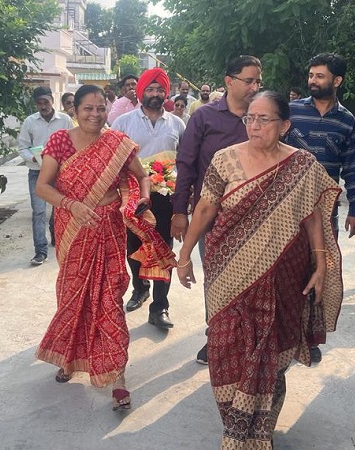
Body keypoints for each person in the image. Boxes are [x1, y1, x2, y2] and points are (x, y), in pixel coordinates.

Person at [176, 91, 343, 449]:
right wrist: (185, 254)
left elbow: (313, 216)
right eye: (249, 118)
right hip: (227, 272)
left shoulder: (302, 165)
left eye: (263, 119)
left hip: (284, 273)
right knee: (225, 346)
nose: (253, 125)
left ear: (284, 126)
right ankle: (235, 426)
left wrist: (321, 263)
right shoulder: (225, 159)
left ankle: (257, 432)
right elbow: (204, 209)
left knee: (271, 349)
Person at [34, 85, 175, 411]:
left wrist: (142, 197)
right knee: (73, 296)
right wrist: (71, 205)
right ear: (75, 110)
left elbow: (142, 176)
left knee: (110, 298)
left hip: (109, 228)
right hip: (73, 228)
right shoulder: (60, 141)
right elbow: (42, 186)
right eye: (88, 108)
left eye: (101, 108)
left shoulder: (117, 143)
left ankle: (118, 377)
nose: (95, 115)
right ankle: (69, 358)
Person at [171, 55, 262, 364]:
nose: (254, 87)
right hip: (211, 217)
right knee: (216, 279)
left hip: (254, 217)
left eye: (258, 81)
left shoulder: (261, 118)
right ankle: (217, 337)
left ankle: (249, 339)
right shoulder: (204, 117)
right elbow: (186, 164)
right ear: (229, 81)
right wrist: (180, 211)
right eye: (248, 81)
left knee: (253, 280)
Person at [285, 52, 355, 362]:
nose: (313, 81)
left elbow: (351, 167)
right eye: (311, 75)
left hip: (325, 210)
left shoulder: (347, 121)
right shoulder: (292, 111)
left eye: (320, 76)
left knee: (318, 269)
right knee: (287, 269)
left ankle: (309, 337)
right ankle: (285, 334)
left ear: (337, 80)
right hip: (287, 208)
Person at [113, 68, 186, 330]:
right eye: (150, 89)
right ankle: (140, 288)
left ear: (166, 93)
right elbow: (114, 160)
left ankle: (160, 307)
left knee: (164, 248)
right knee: (133, 247)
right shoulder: (123, 123)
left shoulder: (177, 124)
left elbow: (184, 161)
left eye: (160, 90)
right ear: (141, 92)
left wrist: (183, 198)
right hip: (132, 196)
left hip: (166, 196)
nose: (155, 94)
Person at [17, 86, 73, 265]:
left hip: (60, 172)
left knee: (60, 207)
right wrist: (32, 157)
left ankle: (56, 233)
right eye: (39, 103)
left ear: (52, 101)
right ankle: (40, 251)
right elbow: (22, 147)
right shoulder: (30, 122)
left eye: (46, 102)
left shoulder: (65, 120)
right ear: (36, 104)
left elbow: (73, 142)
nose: (43, 106)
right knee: (39, 211)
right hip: (37, 172)